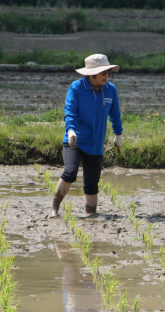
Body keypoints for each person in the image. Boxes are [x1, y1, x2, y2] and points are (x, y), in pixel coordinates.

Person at [52, 54, 123, 216]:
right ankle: (54, 208)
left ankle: (91, 216)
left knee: (92, 183)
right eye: (103, 73)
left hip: (96, 143)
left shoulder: (111, 90)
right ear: (92, 74)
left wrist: (119, 135)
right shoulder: (76, 88)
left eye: (108, 72)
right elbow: (69, 111)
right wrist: (70, 131)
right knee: (70, 172)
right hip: (74, 141)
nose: (107, 76)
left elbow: (115, 115)